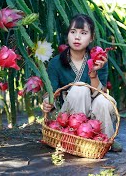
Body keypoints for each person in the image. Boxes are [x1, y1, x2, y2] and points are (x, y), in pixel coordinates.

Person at [42, 14, 121, 151]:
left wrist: (93, 72)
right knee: (79, 88)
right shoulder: (56, 63)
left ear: (91, 38)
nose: (77, 37)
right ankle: (75, 139)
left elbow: (101, 93)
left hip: (94, 114)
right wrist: (46, 102)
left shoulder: (98, 60)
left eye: (83, 33)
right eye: (73, 32)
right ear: (67, 35)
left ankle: (104, 141)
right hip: (70, 118)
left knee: (105, 101)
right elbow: (50, 92)